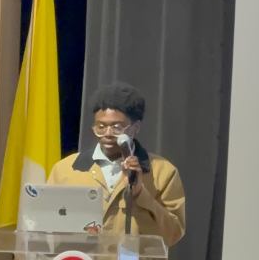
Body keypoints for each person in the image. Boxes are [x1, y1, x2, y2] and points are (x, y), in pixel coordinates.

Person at [47, 82, 185, 247]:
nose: (107, 134)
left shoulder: (163, 172)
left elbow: (173, 233)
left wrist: (140, 193)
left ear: (135, 128)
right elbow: (45, 226)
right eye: (101, 126)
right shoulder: (65, 169)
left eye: (117, 127)